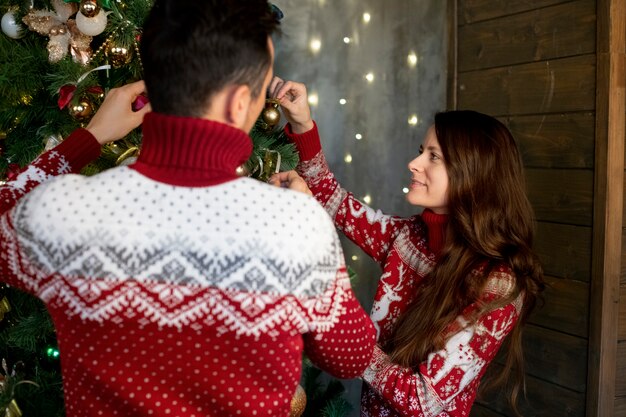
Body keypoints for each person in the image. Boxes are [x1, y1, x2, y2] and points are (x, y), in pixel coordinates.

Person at [0, 1, 376, 416]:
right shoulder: (296, 226)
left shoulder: (63, 212)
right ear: (238, 103)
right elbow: (352, 356)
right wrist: (311, 229)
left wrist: (90, 137)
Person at [268, 78, 545, 417]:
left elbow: (423, 400)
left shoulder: (497, 286)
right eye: (420, 151)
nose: (414, 164)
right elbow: (333, 200)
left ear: (473, 175)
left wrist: (352, 342)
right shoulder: (408, 237)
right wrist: (302, 122)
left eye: (434, 157)